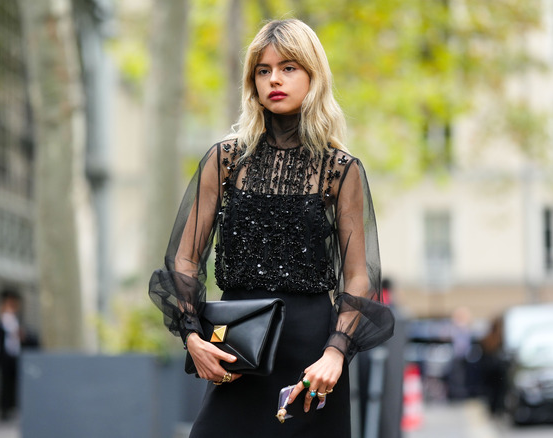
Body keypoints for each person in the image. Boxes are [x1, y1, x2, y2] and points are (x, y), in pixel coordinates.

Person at [148, 19, 394, 437]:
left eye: (288, 68)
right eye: (263, 70)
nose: (274, 79)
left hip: (311, 354)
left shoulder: (340, 170)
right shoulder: (224, 160)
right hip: (238, 349)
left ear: (313, 76)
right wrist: (192, 336)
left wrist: (336, 353)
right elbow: (186, 257)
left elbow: (358, 273)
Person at [0, 291, 22, 421]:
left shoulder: (17, 320)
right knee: (4, 385)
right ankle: (3, 410)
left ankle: (13, 408)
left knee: (14, 385)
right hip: (5, 358)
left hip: (15, 356)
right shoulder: (1, 320)